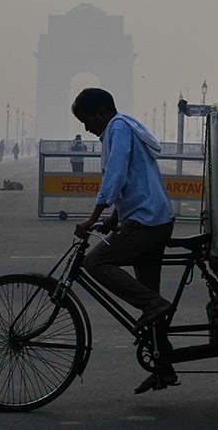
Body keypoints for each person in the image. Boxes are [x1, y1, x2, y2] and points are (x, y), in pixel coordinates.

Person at [71, 87, 177, 395]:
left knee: (95, 262)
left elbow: (116, 175)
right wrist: (113, 218)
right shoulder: (124, 126)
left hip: (146, 221)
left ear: (102, 112)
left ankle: (154, 305)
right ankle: (164, 368)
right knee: (148, 295)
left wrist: (93, 217)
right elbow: (134, 180)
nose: (86, 128)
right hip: (154, 218)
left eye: (86, 120)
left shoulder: (117, 128)